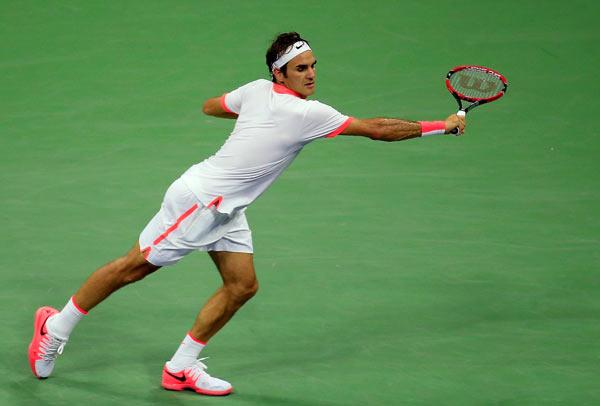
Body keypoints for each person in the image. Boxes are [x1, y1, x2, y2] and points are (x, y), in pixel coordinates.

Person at [28, 32, 465, 396]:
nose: (311, 74)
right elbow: (378, 130)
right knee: (132, 268)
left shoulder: (256, 91)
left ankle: (181, 366)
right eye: (301, 68)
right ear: (280, 72)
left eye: (313, 65)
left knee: (241, 286)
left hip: (227, 208)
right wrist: (440, 126)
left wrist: (249, 120)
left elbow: (211, 106)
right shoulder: (306, 113)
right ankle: (55, 327)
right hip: (200, 201)